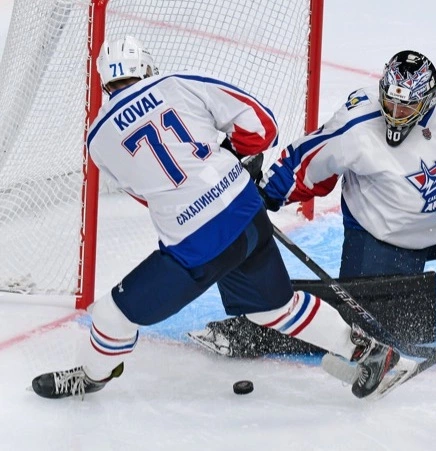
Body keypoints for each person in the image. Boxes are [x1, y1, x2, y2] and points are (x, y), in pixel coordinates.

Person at [30, 36, 408, 401]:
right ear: (145, 66)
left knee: (111, 315)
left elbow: (148, 195)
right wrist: (232, 156)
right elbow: (262, 127)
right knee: (273, 309)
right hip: (246, 211)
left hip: (198, 245)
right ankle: (368, 352)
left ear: (105, 83)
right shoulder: (177, 82)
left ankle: (94, 376)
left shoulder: (98, 139)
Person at [188, 50, 436, 357]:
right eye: (391, 101)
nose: (396, 112)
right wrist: (262, 192)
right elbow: (303, 164)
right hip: (381, 239)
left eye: (408, 104)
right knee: (365, 331)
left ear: (430, 99)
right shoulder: (355, 124)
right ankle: (257, 331)